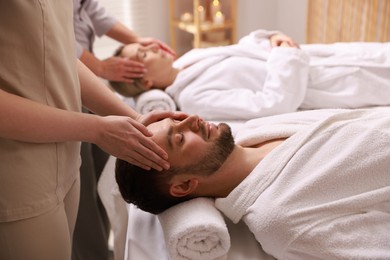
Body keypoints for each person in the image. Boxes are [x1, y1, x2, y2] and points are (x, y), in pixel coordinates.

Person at [0, 1, 185, 260]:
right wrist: (95, 129)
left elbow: (59, 53)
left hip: (65, 158)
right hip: (17, 175)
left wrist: (134, 118)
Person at [116, 107, 390, 259]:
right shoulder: (281, 217)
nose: (192, 120)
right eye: (180, 138)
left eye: (177, 119)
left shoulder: (254, 130)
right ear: (185, 185)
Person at [72, 1, 176, 259]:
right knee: (81, 191)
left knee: (96, 184)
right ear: (146, 81)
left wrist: (138, 40)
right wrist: (99, 67)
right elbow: (55, 38)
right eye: (142, 54)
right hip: (69, 82)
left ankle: (98, 249)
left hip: (83, 82)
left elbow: (89, 8)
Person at [110, 29, 390, 120]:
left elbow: (244, 47)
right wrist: (284, 55)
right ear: (146, 81)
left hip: (324, 57)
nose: (152, 48)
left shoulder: (191, 58)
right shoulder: (194, 98)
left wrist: (272, 36)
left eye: (145, 46)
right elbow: (272, 104)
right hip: (326, 85)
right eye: (143, 54)